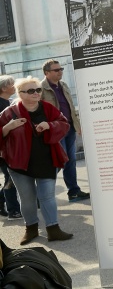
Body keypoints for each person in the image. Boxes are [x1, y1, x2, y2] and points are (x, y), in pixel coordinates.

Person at [0, 77, 73, 244]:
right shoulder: (9, 113)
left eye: (38, 90)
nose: (36, 93)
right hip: (19, 163)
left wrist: (50, 125)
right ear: (20, 93)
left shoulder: (48, 108)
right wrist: (7, 127)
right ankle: (31, 229)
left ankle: (53, 229)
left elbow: (64, 124)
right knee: (27, 198)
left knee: (47, 196)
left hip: (47, 159)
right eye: (31, 91)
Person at [40, 59, 90, 202]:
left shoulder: (64, 85)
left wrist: (77, 125)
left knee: (71, 160)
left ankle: (73, 191)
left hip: (69, 128)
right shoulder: (40, 89)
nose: (60, 72)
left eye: (61, 69)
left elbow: (70, 107)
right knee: (59, 162)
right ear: (47, 73)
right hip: (55, 131)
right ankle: (42, 194)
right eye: (56, 70)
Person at [0, 75, 22, 219]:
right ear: (3, 88)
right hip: (3, 148)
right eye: (11, 84)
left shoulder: (8, 102)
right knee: (10, 177)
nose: (14, 86)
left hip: (11, 146)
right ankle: (13, 210)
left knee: (12, 176)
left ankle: (2, 202)